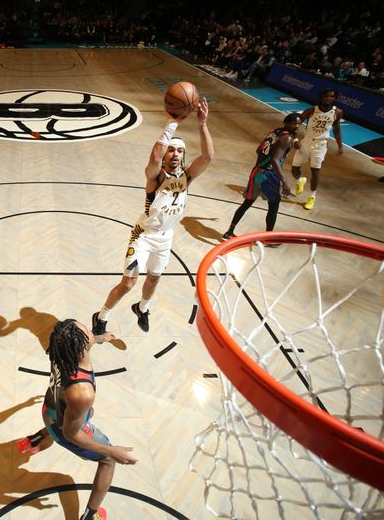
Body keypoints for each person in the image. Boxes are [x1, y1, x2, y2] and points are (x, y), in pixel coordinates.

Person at [92, 98, 213, 335]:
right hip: (144, 235)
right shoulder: (155, 177)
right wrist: (172, 124)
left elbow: (207, 157)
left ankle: (142, 307)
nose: (175, 154)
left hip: (165, 237)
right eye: (172, 149)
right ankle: (102, 315)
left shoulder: (187, 177)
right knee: (128, 283)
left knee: (154, 279)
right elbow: (155, 159)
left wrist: (203, 125)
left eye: (180, 151)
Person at [42, 319, 137, 520]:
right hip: (62, 430)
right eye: (86, 330)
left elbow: (87, 340)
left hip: (48, 410)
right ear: (81, 346)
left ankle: (37, 438)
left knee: (88, 412)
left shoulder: (61, 349)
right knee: (108, 461)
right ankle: (89, 516)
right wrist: (111, 450)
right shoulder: (82, 392)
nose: (88, 327)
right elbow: (71, 433)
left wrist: (102, 338)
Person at [222, 113, 302, 240]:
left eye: (299, 124)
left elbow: (258, 150)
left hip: (257, 171)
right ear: (286, 123)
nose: (297, 126)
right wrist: (284, 181)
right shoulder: (287, 139)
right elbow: (275, 161)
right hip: (268, 175)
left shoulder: (275, 132)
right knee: (274, 205)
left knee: (247, 203)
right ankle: (268, 238)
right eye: (294, 123)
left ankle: (229, 231)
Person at [290, 89, 344, 210]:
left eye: (331, 96)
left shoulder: (338, 112)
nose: (328, 98)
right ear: (321, 97)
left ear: (335, 99)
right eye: (325, 96)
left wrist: (340, 146)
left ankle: (312, 197)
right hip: (307, 141)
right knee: (294, 169)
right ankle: (300, 181)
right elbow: (295, 125)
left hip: (321, 144)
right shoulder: (311, 110)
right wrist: (295, 140)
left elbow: (336, 129)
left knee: (315, 171)